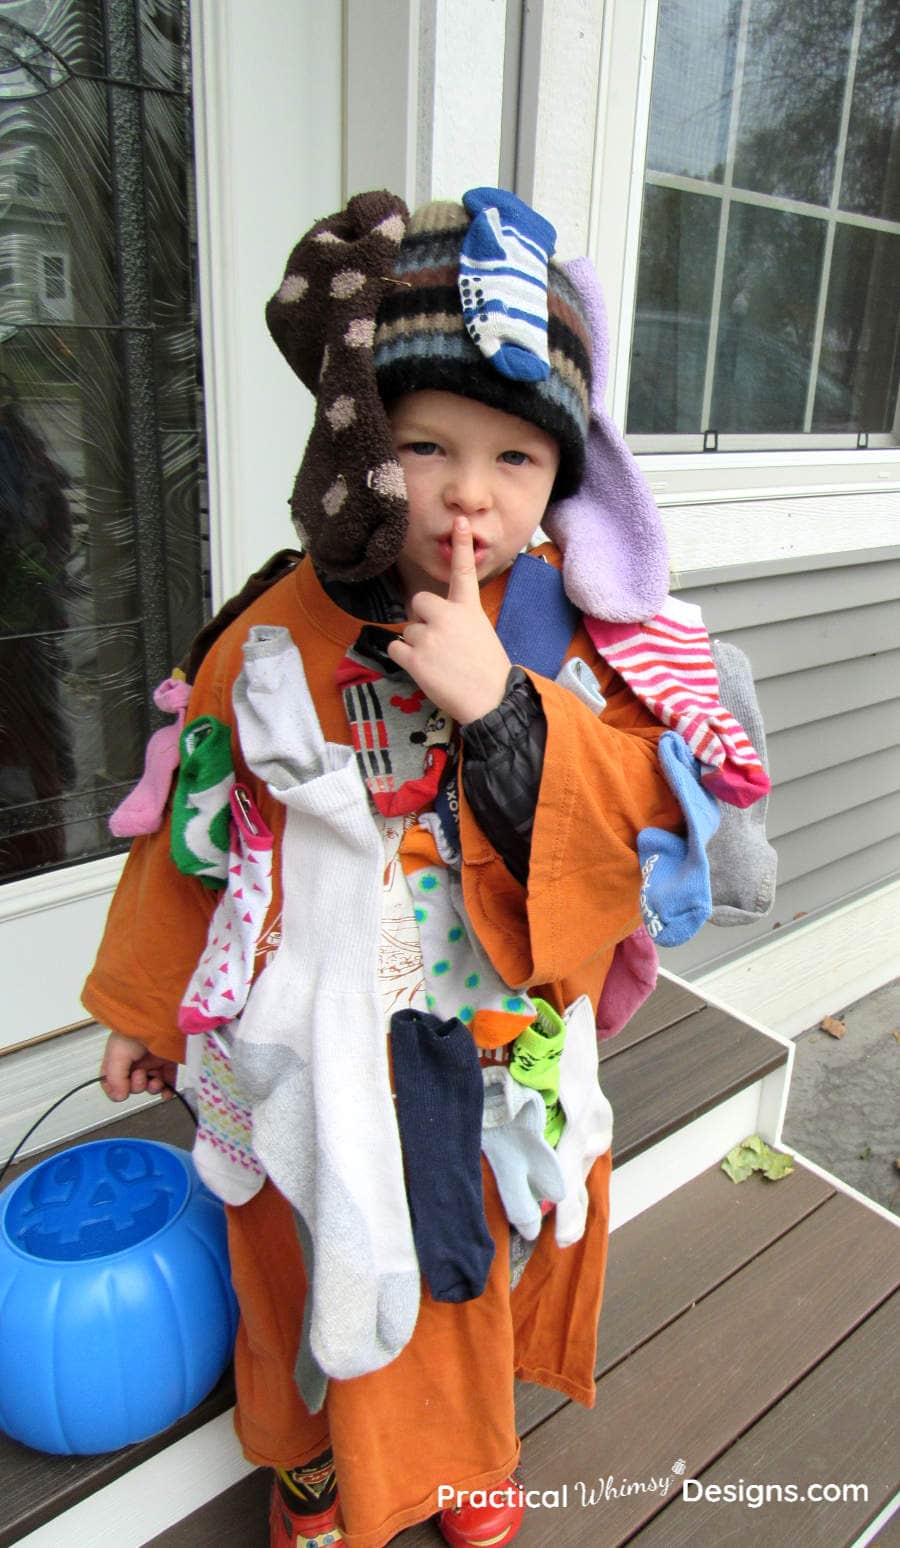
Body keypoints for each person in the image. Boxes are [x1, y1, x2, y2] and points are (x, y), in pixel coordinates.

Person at [84, 187, 682, 1548]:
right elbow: (200, 816)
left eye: (517, 459)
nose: (471, 493)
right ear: (357, 441)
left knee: (457, 1259)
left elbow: (635, 826)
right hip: (292, 1023)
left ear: (561, 483)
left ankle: (467, 1466)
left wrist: (510, 710)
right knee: (290, 1241)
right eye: (425, 444)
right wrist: (139, 1006)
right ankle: (308, 1465)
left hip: (464, 1035)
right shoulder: (277, 622)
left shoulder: (572, 640)